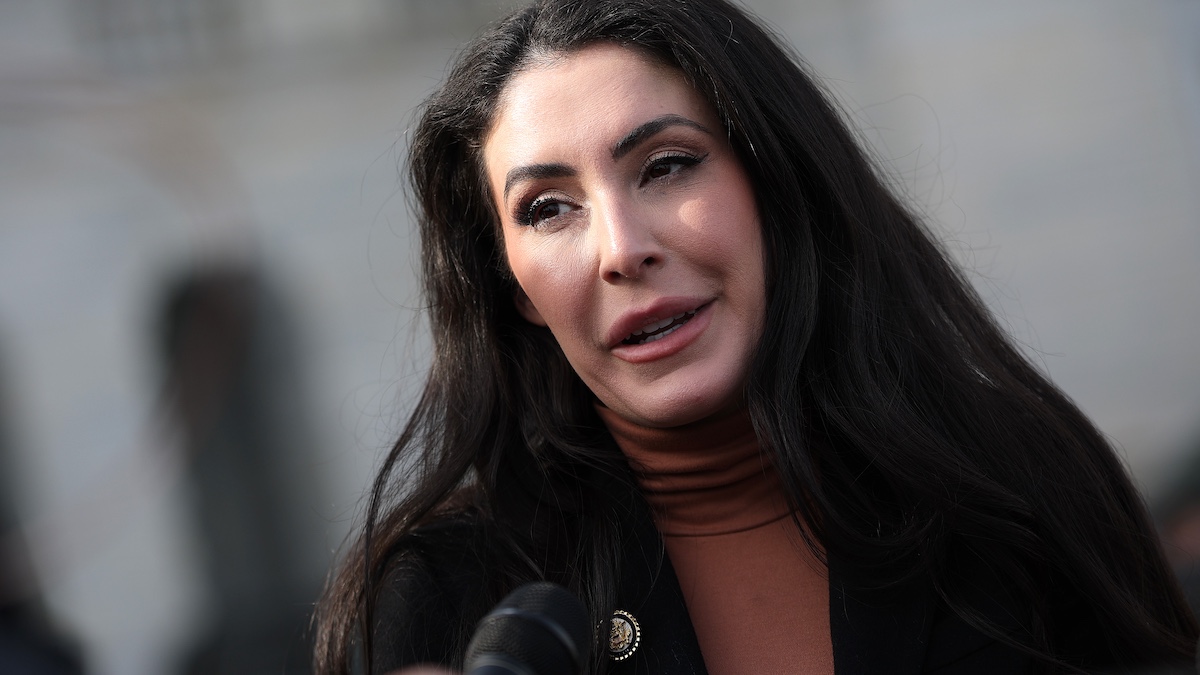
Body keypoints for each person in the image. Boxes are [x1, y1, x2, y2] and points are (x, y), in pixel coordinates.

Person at [314, 1, 1198, 673]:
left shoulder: (1019, 489)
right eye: (549, 210)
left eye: (667, 166)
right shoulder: (443, 594)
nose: (622, 249)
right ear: (514, 289)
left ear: (775, 185)